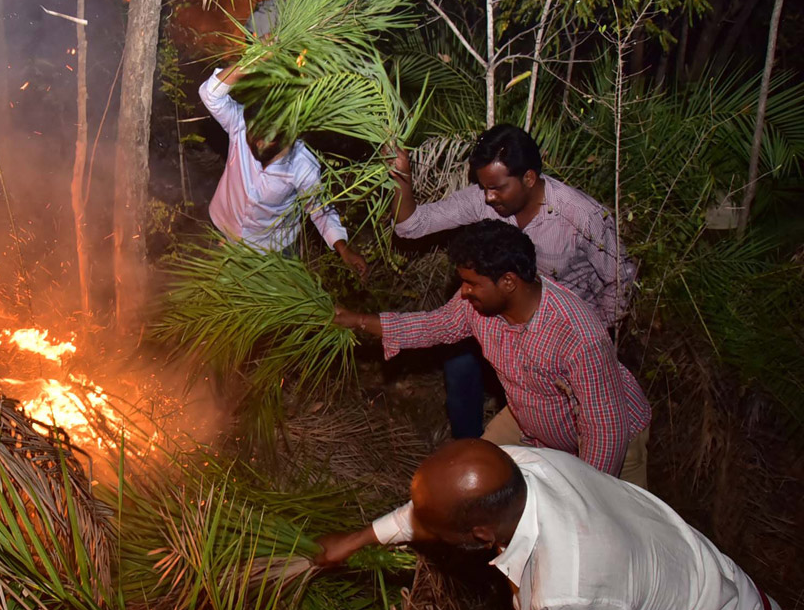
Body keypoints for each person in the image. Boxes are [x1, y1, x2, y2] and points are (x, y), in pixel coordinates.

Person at [314, 439, 792, 610]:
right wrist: (358, 539)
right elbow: (436, 506)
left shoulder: (571, 590)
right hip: (740, 604)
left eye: (437, 533)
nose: (425, 531)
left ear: (480, 535)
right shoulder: (516, 465)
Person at [334, 220, 650, 485]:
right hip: (529, 416)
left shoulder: (578, 335)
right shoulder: (477, 305)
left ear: (509, 282)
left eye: (471, 284)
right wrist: (358, 321)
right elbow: (435, 325)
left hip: (614, 439)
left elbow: (605, 429)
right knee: (476, 478)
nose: (464, 292)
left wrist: (582, 497)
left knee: (620, 529)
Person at [389, 125, 636, 438]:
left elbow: (621, 280)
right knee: (460, 364)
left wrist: (590, 335)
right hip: (499, 320)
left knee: (578, 433)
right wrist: (401, 177)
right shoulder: (486, 199)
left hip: (558, 341)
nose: (489, 196)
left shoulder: (582, 217)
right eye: (484, 187)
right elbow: (411, 226)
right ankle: (473, 457)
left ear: (529, 178)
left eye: (498, 188)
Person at [199, 61, 368, 277]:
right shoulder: (240, 124)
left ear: (289, 134)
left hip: (271, 251)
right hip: (223, 227)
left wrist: (343, 249)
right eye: (255, 134)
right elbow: (210, 93)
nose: (258, 143)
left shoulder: (303, 165)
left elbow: (319, 208)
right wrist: (254, 60)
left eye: (268, 138)